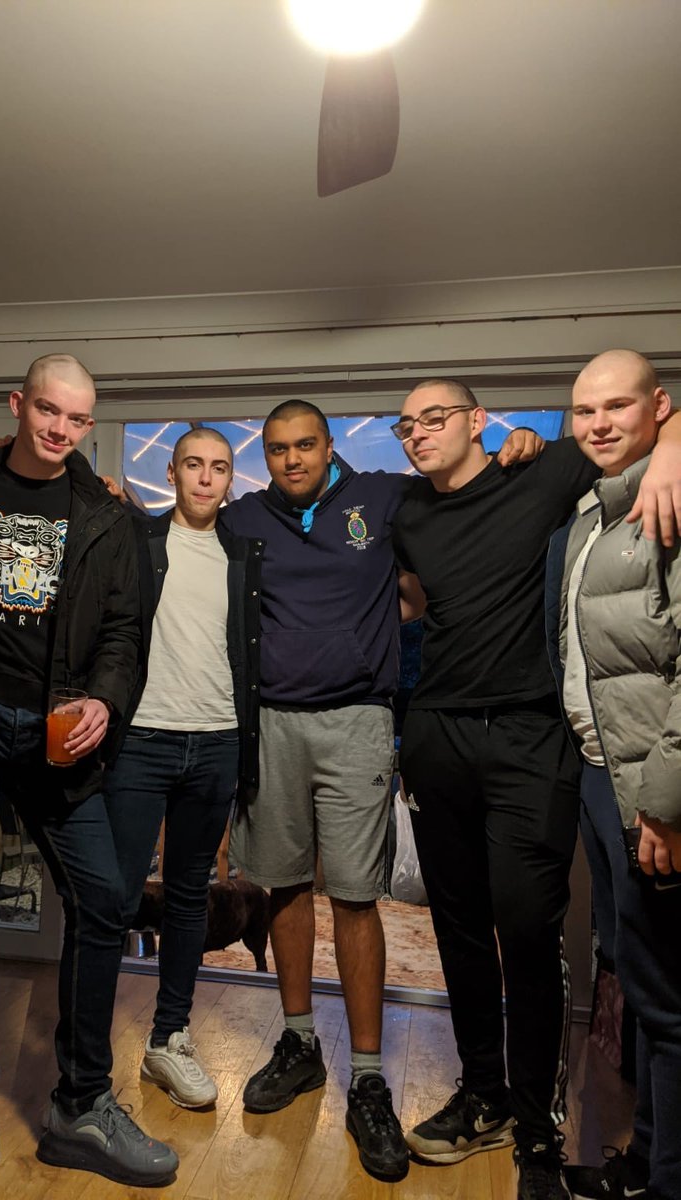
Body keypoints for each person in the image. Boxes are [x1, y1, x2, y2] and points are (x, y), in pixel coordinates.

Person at [391, 377, 681, 1200]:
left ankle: (537, 1129)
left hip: (530, 740)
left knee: (526, 931)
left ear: (479, 421)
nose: (420, 433)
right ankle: (482, 1094)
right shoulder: (406, 512)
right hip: (438, 736)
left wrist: (674, 452)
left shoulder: (548, 469)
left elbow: (644, 422)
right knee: (457, 931)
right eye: (407, 425)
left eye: (436, 417)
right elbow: (412, 601)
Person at [0, 353, 178, 1186]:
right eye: (48, 410)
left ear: (89, 424)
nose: (61, 429)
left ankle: (80, 1103)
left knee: (104, 896)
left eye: (77, 418)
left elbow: (124, 629)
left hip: (55, 723)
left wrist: (106, 700)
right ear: (19, 404)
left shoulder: (105, 514)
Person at [217, 399, 421, 1183]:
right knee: (283, 884)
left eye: (305, 445)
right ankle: (299, 1042)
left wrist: (522, 451)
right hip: (271, 722)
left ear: (329, 446)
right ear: (263, 456)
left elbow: (452, 521)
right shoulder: (245, 517)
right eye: (277, 449)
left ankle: (368, 1078)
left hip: (359, 720)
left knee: (358, 897)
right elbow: (172, 540)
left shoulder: (382, 497)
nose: (293, 459)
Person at [552, 350, 680, 1200]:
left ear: (658, 407)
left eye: (618, 406)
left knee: (668, 1001)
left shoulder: (672, 498)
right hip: (603, 779)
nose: (598, 423)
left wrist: (665, 806)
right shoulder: (595, 511)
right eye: (584, 410)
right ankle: (645, 1163)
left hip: (652, 790)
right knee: (639, 979)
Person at [103, 426, 261, 1109]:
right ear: (171, 473)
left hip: (217, 741)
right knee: (112, 897)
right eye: (192, 464)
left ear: (231, 479)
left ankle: (169, 1039)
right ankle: (85, 1053)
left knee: (191, 893)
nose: (204, 477)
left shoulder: (245, 553)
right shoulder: (137, 541)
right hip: (141, 740)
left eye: (218, 467)